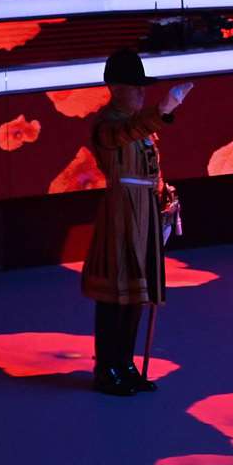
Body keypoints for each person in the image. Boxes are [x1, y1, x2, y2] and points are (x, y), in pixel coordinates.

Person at [81, 48, 192, 397]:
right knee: (116, 291)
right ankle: (107, 368)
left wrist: (163, 193)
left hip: (144, 207)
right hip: (122, 210)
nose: (142, 92)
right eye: (136, 87)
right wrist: (162, 111)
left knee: (136, 292)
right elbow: (124, 134)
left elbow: (147, 165)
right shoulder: (107, 125)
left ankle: (126, 364)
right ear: (116, 88)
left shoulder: (140, 128)